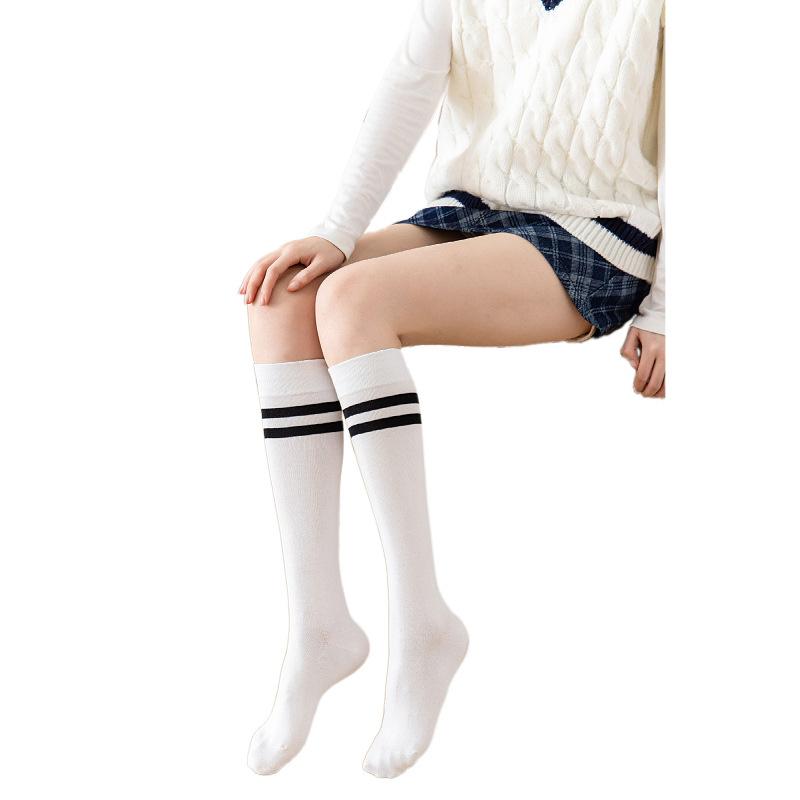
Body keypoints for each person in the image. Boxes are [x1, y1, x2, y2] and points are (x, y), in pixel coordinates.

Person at [239, 0, 666, 780]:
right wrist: (334, 231)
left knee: (353, 300)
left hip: (599, 230)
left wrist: (671, 308)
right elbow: (405, 87)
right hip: (474, 210)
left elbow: (708, 138)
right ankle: (319, 625)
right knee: (283, 298)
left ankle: (422, 623)